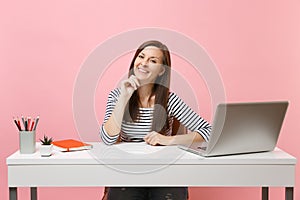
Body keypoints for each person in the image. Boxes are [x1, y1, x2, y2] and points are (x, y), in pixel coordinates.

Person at [100, 40, 211, 200]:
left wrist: (168, 140)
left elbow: (209, 132)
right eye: (141, 57)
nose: (143, 64)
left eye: (152, 61)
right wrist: (124, 97)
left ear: (161, 71)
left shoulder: (169, 100)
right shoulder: (117, 96)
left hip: (165, 172)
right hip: (128, 172)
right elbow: (107, 139)